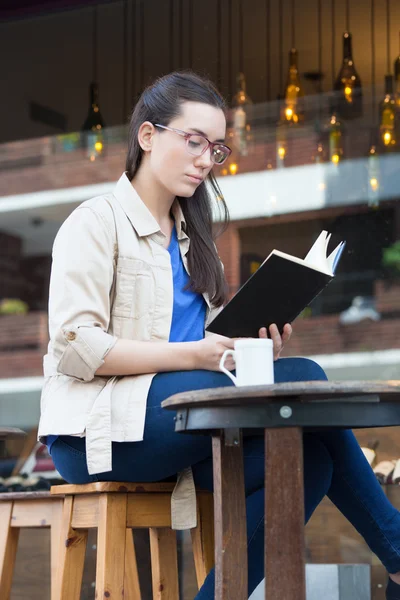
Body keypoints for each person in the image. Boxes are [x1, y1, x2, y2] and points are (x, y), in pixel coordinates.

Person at [38, 71, 400, 600]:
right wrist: (197, 354)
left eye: (216, 148)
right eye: (194, 142)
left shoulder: (192, 241)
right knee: (305, 379)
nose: (207, 160)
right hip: (97, 429)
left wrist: (250, 345)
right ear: (147, 136)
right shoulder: (94, 224)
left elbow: (207, 349)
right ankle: (396, 553)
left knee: (310, 463)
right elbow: (75, 347)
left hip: (177, 423)